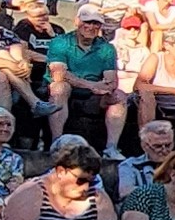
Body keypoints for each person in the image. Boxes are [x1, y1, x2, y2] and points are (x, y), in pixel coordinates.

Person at [48, 12, 125, 149]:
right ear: (77, 22)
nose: (91, 26)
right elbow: (59, 75)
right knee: (60, 88)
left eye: (96, 23)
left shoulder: (106, 48)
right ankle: (56, 142)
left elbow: (111, 81)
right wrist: (92, 85)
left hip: (94, 94)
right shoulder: (60, 42)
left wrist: (103, 88)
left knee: (119, 96)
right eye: (87, 22)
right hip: (68, 89)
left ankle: (111, 148)